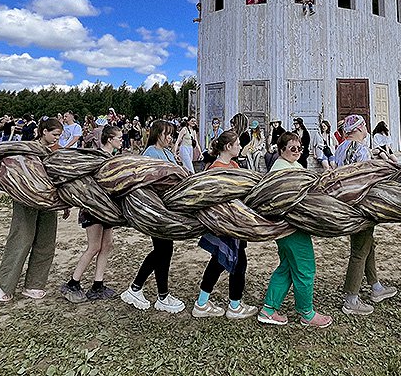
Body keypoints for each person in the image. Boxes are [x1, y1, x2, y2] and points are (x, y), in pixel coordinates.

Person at [258, 132, 332, 328]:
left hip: (290, 226)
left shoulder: (292, 166)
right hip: (292, 226)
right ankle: (306, 313)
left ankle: (268, 309)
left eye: (300, 148)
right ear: (281, 150)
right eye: (292, 148)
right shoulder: (282, 170)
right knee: (305, 268)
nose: (297, 152)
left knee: (288, 267)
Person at [0, 118, 68, 302]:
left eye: (59, 135)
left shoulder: (57, 151)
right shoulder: (26, 149)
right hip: (26, 200)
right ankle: (5, 284)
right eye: (54, 134)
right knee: (21, 239)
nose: (57, 139)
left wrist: (65, 203)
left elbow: (61, 178)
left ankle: (35, 284)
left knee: (45, 242)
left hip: (49, 201)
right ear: (43, 131)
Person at [334, 114, 398, 315]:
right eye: (364, 126)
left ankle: (375, 286)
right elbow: (364, 180)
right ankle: (351, 298)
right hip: (361, 204)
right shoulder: (361, 150)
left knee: (368, 244)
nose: (366, 129)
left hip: (345, 201)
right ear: (359, 128)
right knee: (359, 250)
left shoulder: (340, 148)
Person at [192, 130, 259, 320]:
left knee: (219, 262)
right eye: (237, 144)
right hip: (225, 225)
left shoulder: (234, 164)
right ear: (228, 147)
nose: (239, 147)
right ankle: (234, 306)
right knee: (236, 263)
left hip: (235, 223)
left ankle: (203, 302)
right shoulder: (216, 169)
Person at [120, 120, 185, 313]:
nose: (170, 137)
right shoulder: (150, 153)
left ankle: (153, 293)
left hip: (166, 209)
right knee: (162, 251)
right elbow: (146, 179)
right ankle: (143, 290)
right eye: (167, 134)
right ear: (157, 134)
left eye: (171, 134)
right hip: (156, 209)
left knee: (164, 250)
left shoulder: (166, 152)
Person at [60, 125, 122, 303]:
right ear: (109, 139)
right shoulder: (96, 157)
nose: (121, 140)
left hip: (107, 209)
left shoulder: (111, 158)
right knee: (94, 246)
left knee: (107, 244)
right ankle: (73, 283)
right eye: (119, 137)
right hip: (94, 208)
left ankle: (98, 284)